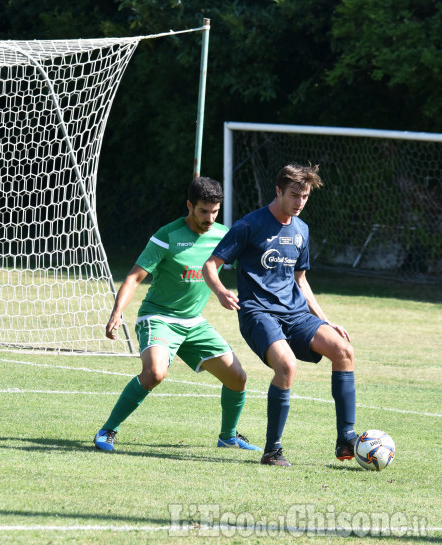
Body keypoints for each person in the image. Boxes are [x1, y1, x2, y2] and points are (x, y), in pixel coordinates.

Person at [202, 164, 356, 467]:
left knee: (344, 350)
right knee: (286, 365)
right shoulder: (250, 225)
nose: (300, 202)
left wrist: (325, 321)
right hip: (258, 313)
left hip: (295, 314)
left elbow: (301, 281)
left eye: (305, 196)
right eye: (294, 195)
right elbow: (211, 264)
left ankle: (346, 439)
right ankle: (272, 450)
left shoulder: (302, 229)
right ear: (278, 191)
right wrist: (220, 292)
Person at [94, 176, 261, 453]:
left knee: (238, 378)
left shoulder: (223, 235)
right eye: (203, 211)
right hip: (158, 317)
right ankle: (107, 430)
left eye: (215, 211)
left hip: (194, 322)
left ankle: (228, 437)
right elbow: (135, 277)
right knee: (155, 373)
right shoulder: (167, 236)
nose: (210, 218)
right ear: (189, 206)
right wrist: (116, 313)